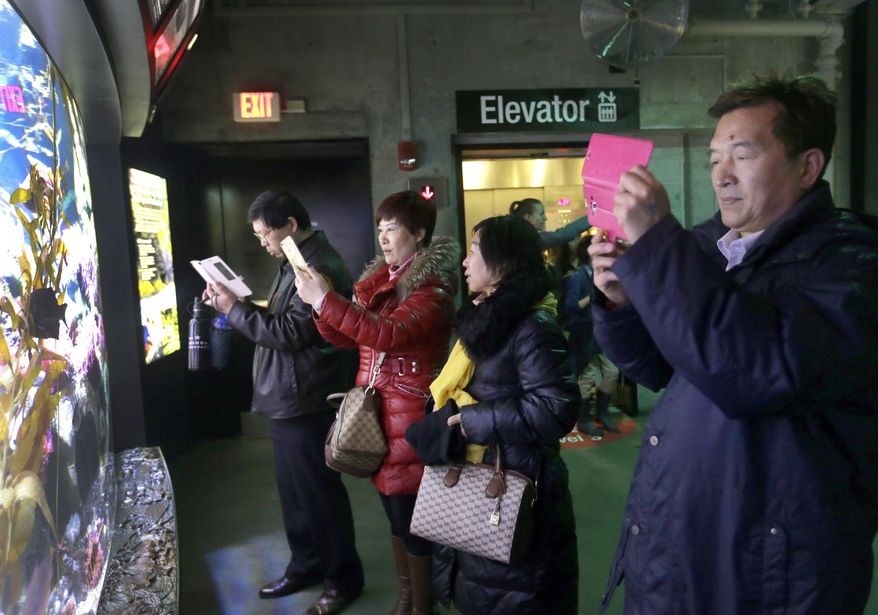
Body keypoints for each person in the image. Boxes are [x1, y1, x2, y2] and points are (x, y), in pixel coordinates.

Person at [588, 74, 878, 614]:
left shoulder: (852, 262)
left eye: (741, 155)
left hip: (773, 571)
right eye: (715, 159)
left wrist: (657, 250)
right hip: (681, 538)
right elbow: (662, 366)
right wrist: (624, 305)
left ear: (808, 166)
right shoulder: (706, 246)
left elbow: (760, 370)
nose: (722, 175)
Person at [405, 215, 580, 614]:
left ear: (503, 262)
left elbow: (557, 410)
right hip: (481, 480)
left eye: (474, 251)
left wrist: (474, 420)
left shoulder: (532, 326)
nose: (465, 262)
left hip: (517, 489)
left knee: (517, 597)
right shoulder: (486, 319)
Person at [294, 190, 459, 615]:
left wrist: (326, 301)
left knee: (412, 517)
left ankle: (422, 606)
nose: (384, 238)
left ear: (419, 234)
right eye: (380, 230)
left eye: (393, 230)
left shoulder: (434, 287)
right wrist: (322, 304)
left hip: (413, 415)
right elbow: (346, 336)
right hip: (380, 412)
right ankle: (408, 595)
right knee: (393, 509)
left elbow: (387, 334)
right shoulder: (378, 283)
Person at [204, 191, 364, 615]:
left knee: (317, 494)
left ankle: (342, 580)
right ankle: (307, 566)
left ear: (290, 224)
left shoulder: (317, 265)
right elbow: (282, 321)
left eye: (265, 233)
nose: (263, 242)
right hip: (289, 396)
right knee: (296, 494)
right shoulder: (295, 256)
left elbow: (292, 334)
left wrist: (235, 310)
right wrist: (234, 304)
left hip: (305, 397)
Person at [563, 236, 621, 436]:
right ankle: (584, 418)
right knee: (586, 377)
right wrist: (592, 296)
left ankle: (602, 413)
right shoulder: (578, 278)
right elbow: (569, 308)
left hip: (603, 333)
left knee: (612, 371)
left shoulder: (604, 274)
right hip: (585, 334)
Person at [509, 197, 591, 249]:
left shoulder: (514, 238)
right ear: (528, 217)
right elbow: (563, 235)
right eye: (541, 214)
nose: (545, 218)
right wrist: (593, 217)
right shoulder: (529, 240)